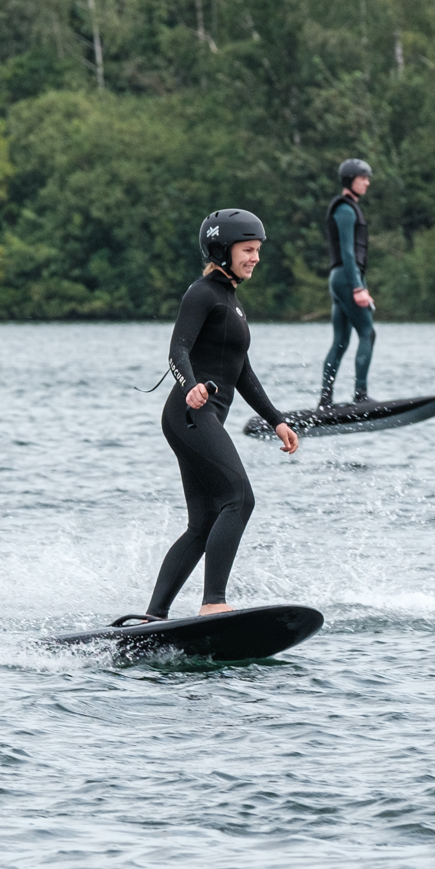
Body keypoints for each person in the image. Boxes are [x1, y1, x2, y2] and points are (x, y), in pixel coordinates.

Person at [140, 209, 301, 621]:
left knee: (203, 522)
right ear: (221, 250)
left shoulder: (231, 300)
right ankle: (213, 601)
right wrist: (190, 385)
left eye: (258, 250)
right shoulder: (202, 294)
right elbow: (177, 350)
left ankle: (154, 616)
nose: (256, 258)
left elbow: (242, 371)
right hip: (190, 414)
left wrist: (276, 420)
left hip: (199, 419)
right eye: (248, 250)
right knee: (239, 498)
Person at [320, 158, 376, 407]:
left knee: (341, 341)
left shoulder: (348, 208)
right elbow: (348, 252)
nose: (367, 182)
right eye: (363, 178)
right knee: (367, 333)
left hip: (342, 278)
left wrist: (360, 283)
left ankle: (325, 400)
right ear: (350, 180)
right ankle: (360, 395)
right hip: (346, 278)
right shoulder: (345, 209)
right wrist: (358, 287)